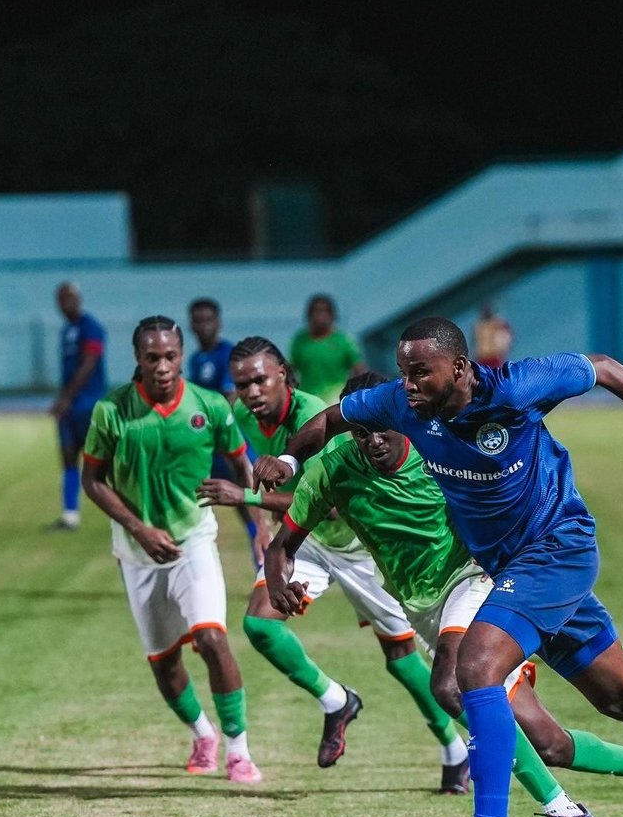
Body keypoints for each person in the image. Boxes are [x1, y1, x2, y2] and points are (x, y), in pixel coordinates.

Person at [254, 317, 623, 817]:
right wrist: (292, 462)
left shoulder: (515, 388)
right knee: (620, 697)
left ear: (458, 368)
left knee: (474, 669)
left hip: (557, 548)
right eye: (402, 373)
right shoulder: (403, 405)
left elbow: (601, 366)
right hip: (511, 565)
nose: (406, 385)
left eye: (419, 372)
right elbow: (334, 417)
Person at [199, 337, 457, 783]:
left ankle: (455, 750)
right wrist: (261, 523)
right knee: (259, 623)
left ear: (283, 372)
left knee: (401, 657)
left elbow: (330, 502)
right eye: (241, 384)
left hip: (364, 546)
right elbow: (245, 458)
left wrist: (244, 498)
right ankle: (336, 699)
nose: (251, 393)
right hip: (311, 542)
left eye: (259, 380)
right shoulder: (242, 412)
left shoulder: (314, 418)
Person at [80, 316, 263, 784]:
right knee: (164, 662)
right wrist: (138, 529)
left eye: (170, 356)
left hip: (194, 540)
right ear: (137, 359)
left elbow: (241, 462)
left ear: (181, 356)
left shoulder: (209, 406)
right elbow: (93, 480)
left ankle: (239, 750)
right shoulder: (112, 411)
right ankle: (203, 733)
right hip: (137, 552)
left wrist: (258, 525)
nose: (162, 366)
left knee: (212, 638)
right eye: (152, 357)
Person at [186, 297, 259, 559]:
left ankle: (264, 571)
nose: (204, 326)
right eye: (198, 320)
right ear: (191, 325)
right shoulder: (195, 359)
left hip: (231, 444)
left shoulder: (229, 353)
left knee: (250, 508)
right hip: (207, 447)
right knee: (188, 506)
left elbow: (229, 399)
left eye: (209, 319)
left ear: (219, 322)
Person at [48, 281, 107, 531]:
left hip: (88, 403)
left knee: (103, 462)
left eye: (69, 298)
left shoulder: (91, 327)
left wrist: (66, 398)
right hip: (71, 406)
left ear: (79, 299)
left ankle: (129, 511)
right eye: (61, 299)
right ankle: (70, 514)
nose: (65, 304)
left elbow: (89, 363)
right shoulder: (66, 330)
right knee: (69, 457)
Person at [289, 293, 366, 405]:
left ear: (332, 315)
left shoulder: (343, 340)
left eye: (325, 311)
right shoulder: (300, 341)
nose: (321, 315)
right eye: (316, 311)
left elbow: (359, 369)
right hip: (309, 400)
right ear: (309, 315)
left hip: (336, 400)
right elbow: (290, 370)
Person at [473, 303, 514, 369]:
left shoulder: (498, 322)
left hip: (494, 356)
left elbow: (508, 337)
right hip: (482, 357)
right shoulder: (478, 325)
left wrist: (504, 350)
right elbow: (475, 342)